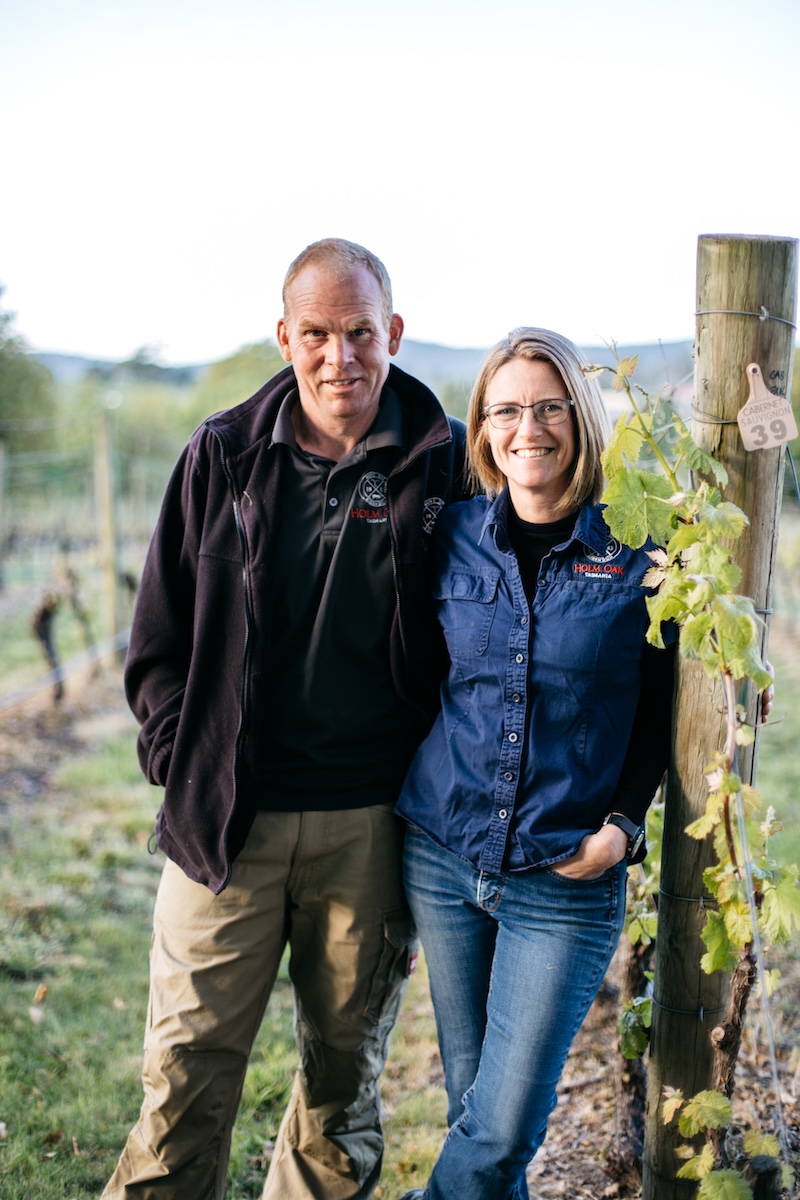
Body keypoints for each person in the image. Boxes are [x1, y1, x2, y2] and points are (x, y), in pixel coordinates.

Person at [102, 238, 468, 1200]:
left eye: (360, 333)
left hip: (373, 829)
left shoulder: (446, 462)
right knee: (183, 1081)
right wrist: (186, 756)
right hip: (228, 823)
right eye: (317, 334)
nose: (339, 357)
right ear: (284, 337)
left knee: (339, 1097)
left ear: (394, 333)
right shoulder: (222, 455)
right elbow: (157, 636)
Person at [395, 326, 678, 1200]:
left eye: (549, 407)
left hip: (564, 874)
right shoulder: (451, 536)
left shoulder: (640, 552)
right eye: (507, 410)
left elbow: (666, 704)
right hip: (444, 858)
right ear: (483, 428)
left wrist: (621, 827)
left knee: (501, 1128)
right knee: (473, 1114)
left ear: (581, 417)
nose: (529, 428)